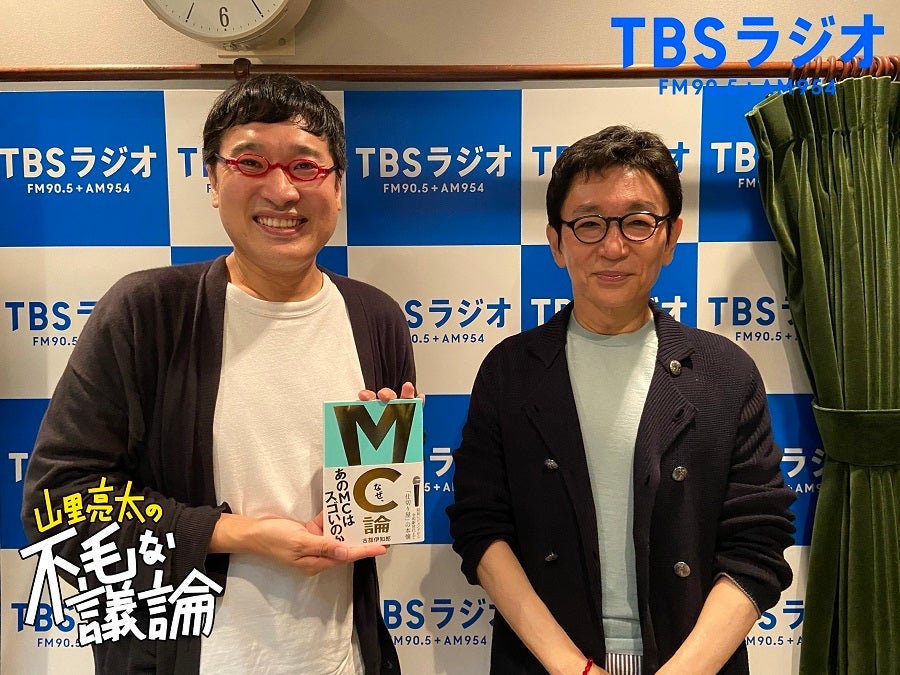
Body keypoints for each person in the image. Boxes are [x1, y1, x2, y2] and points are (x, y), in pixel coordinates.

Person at [22, 74, 414, 674]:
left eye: (305, 166)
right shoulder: (147, 312)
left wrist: (380, 478)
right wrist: (238, 534)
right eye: (251, 163)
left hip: (340, 657)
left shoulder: (376, 317)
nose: (282, 190)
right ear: (212, 179)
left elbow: (370, 513)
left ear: (337, 187)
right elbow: (56, 505)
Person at [447, 126, 795, 675]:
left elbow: (758, 543)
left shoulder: (726, 373)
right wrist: (572, 668)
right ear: (556, 242)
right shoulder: (510, 372)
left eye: (637, 222)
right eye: (588, 224)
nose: (613, 247)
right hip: (547, 663)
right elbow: (481, 527)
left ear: (671, 236)